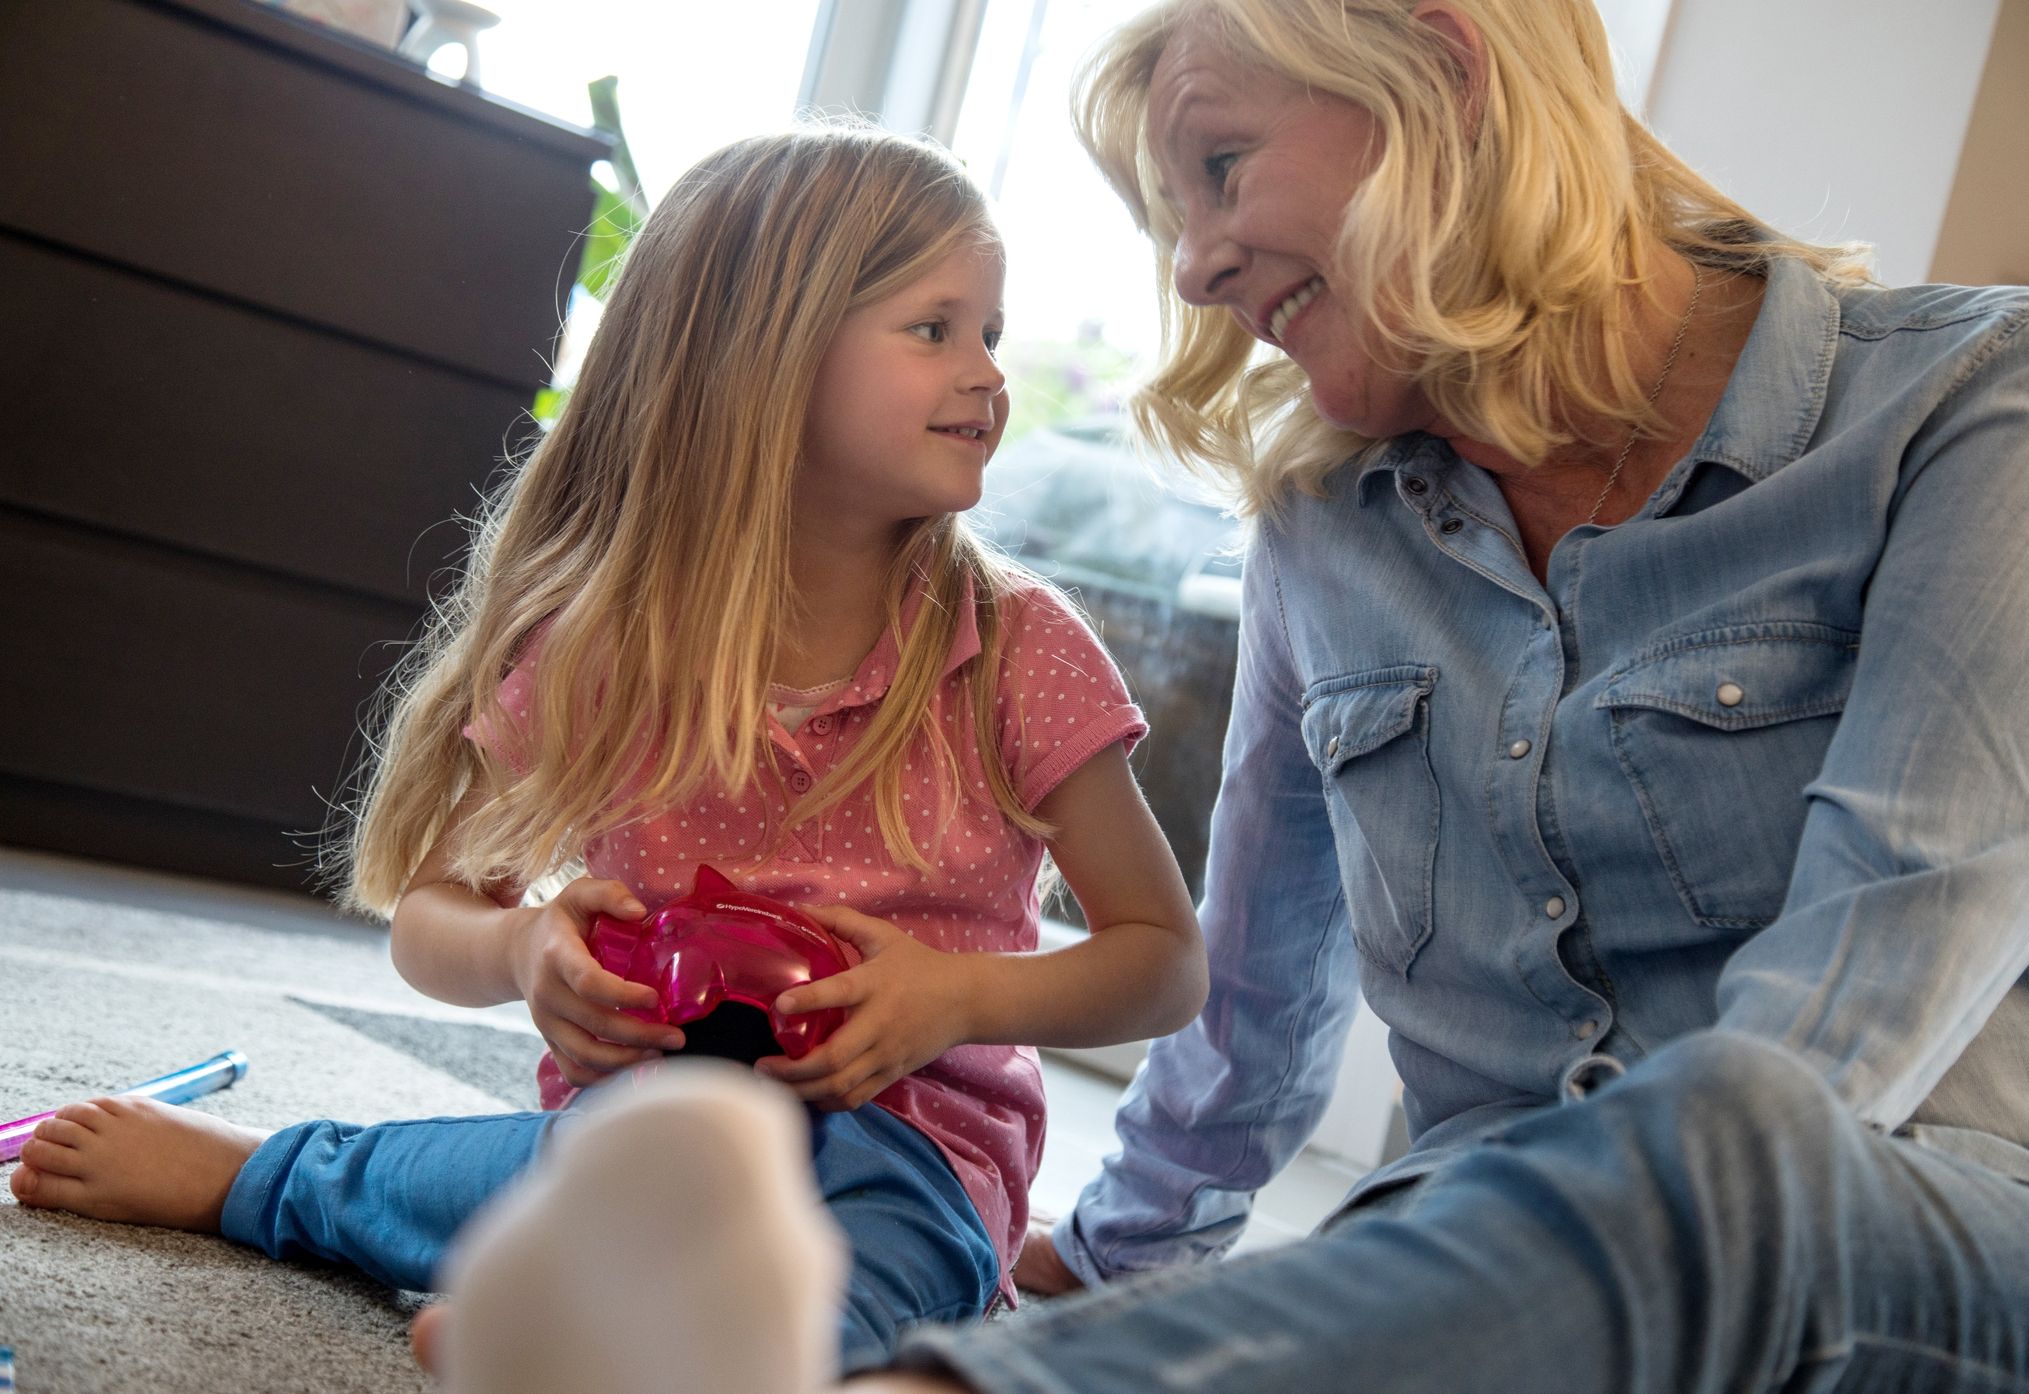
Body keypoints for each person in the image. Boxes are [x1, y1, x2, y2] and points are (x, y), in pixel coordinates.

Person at [396, 0, 2029, 1389]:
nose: (1188, 270)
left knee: (1739, 1130)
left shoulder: (1981, 406)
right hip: (1475, 1260)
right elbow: (1250, 979)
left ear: (1444, 67)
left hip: (1908, 1226)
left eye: (1217, 165)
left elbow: (1848, 1027)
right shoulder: (1326, 525)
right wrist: (1119, 1264)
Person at [3, 124, 1208, 1377]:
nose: (988, 376)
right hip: (632, 1129)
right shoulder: (609, 646)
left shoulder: (1014, 646)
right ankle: (273, 1176)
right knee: (488, 1172)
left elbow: (1161, 962)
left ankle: (630, 1346)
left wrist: (958, 998)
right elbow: (430, 911)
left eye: (991, 334)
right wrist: (526, 948)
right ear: (764, 356)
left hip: (906, 1155)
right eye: (933, 328)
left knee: (872, 1284)